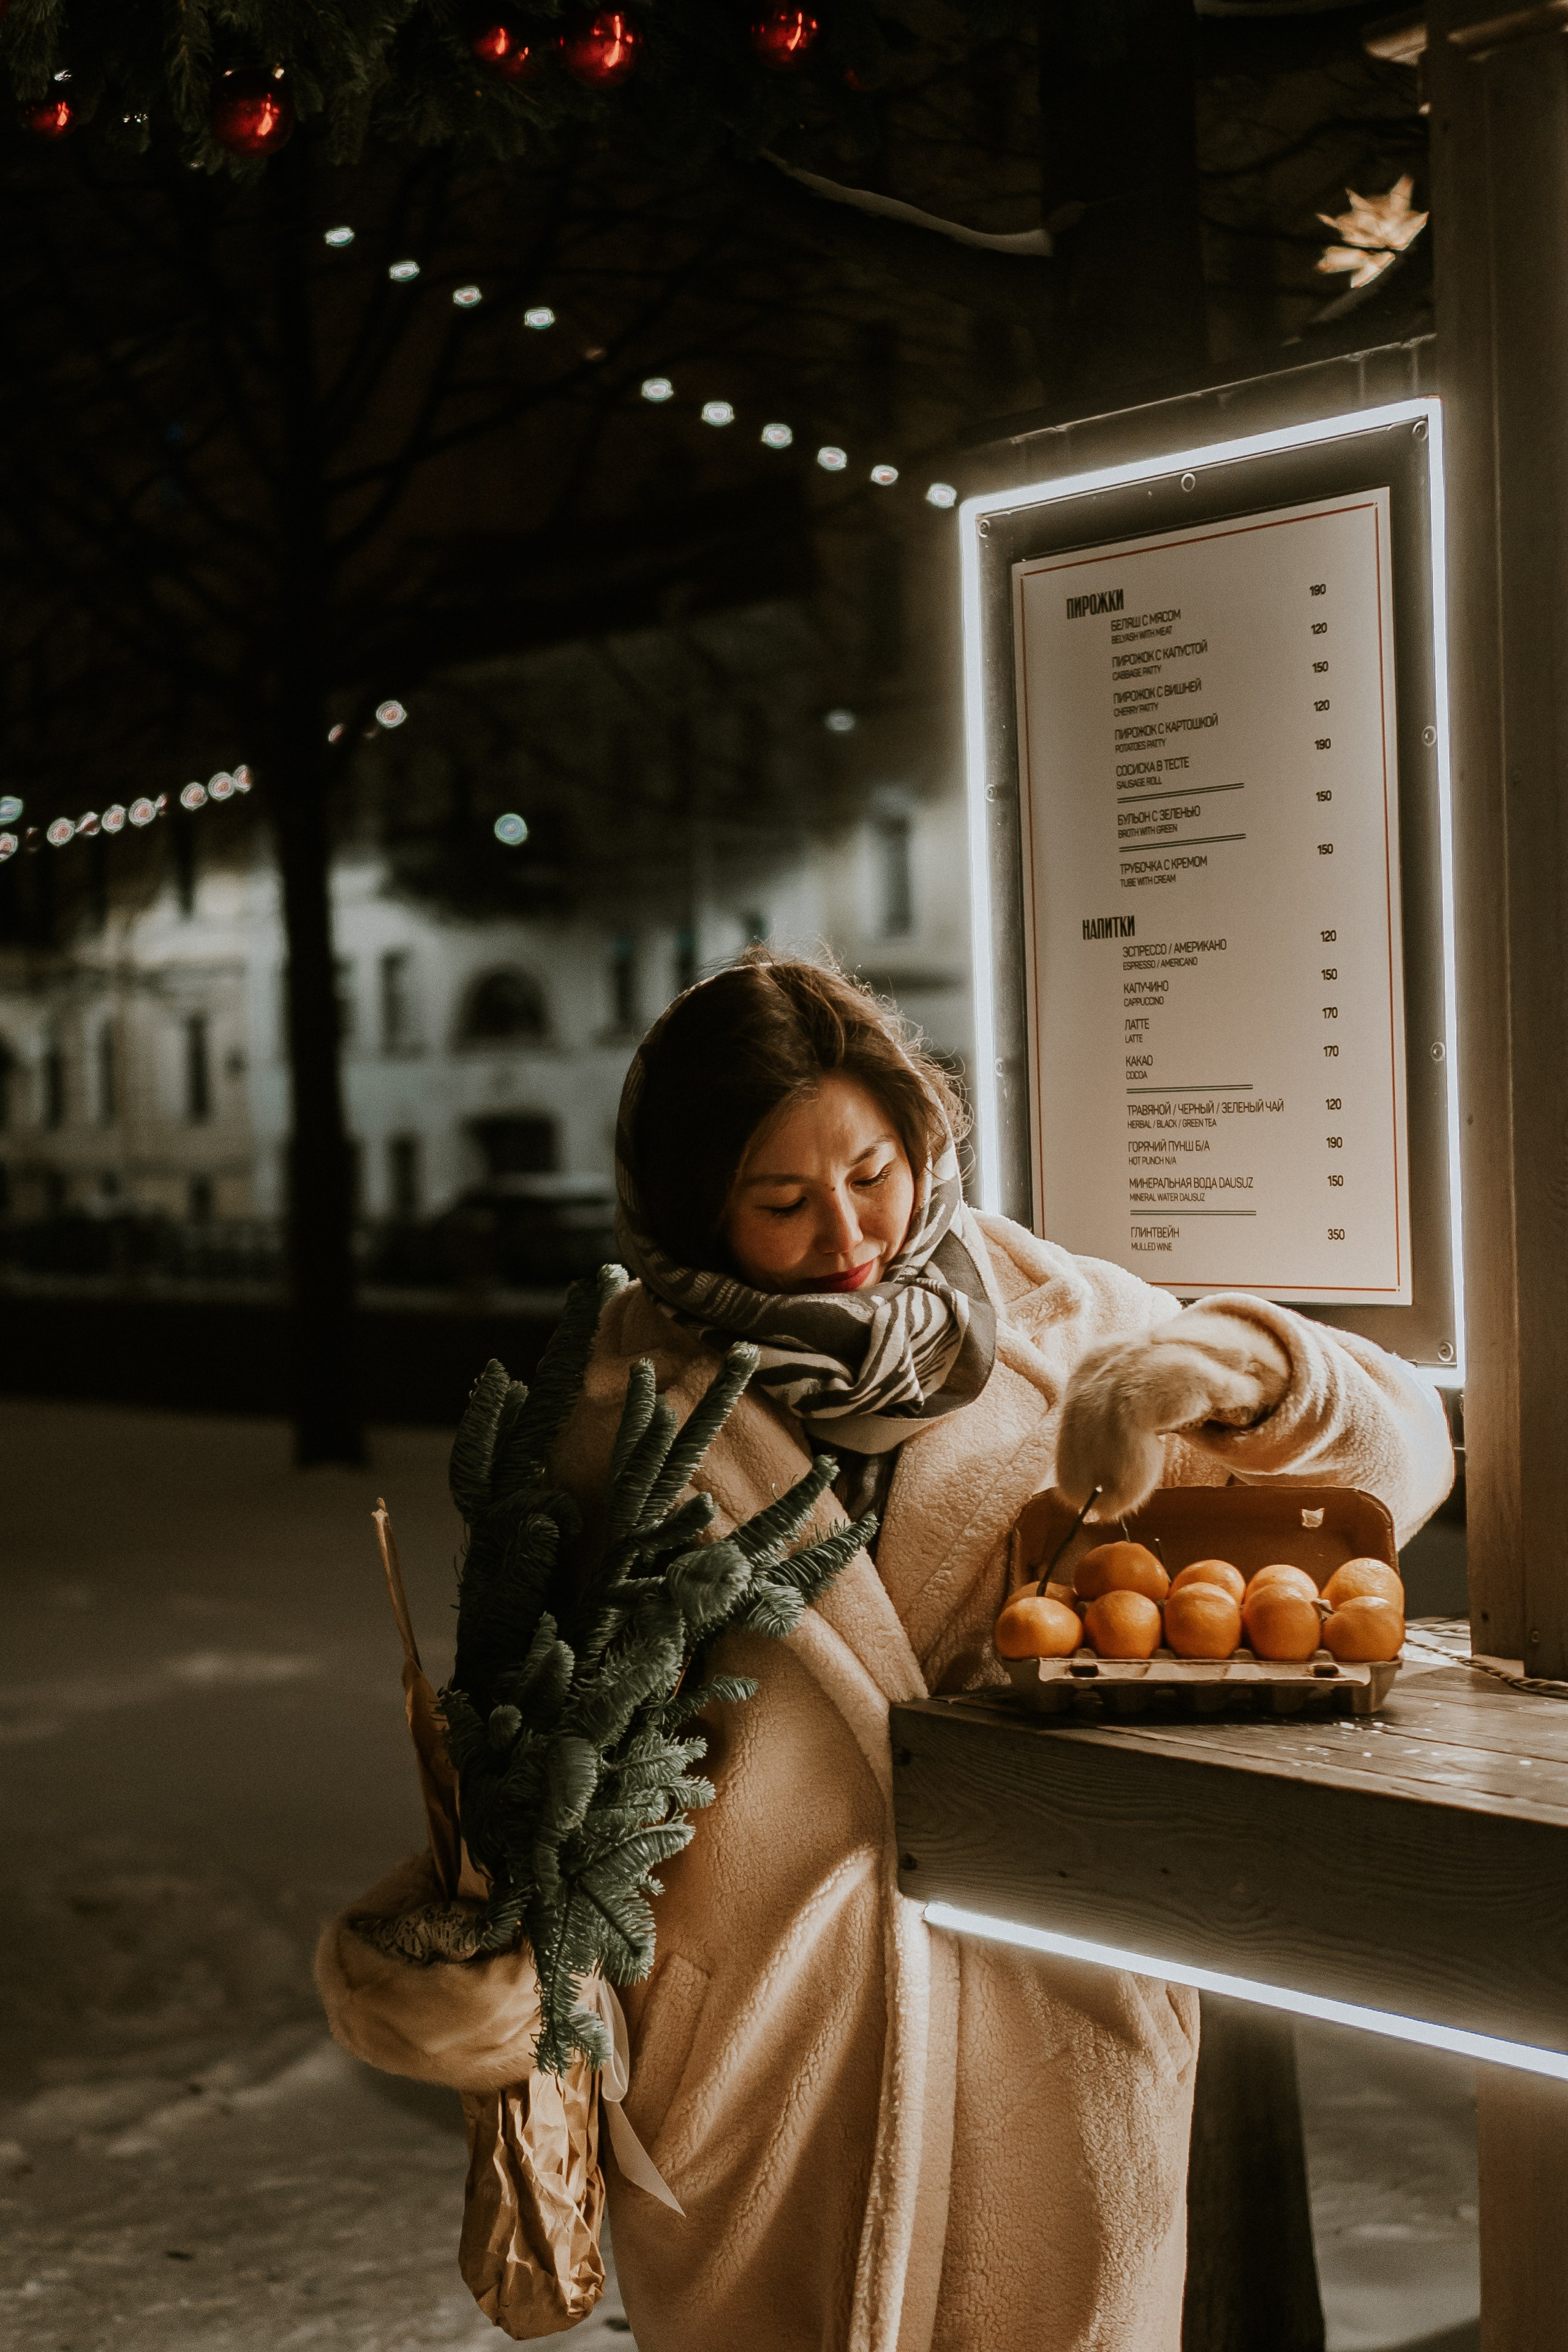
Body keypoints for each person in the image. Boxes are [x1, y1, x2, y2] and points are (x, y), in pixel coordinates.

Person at [330, 951, 1452, 2352]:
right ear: (691, 1205)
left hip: (1052, 2024)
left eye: (873, 1171)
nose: (850, 1235)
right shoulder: (608, 1415)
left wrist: (1227, 1371)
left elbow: (1398, 1460)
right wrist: (457, 1945)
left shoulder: (1068, 1325)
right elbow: (532, 1737)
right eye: (782, 1202)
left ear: (920, 1138)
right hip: (751, 2058)